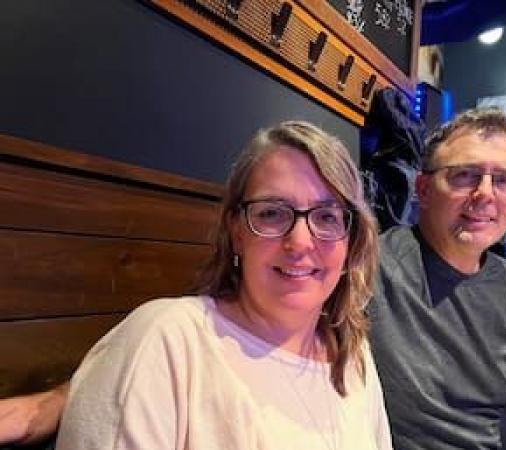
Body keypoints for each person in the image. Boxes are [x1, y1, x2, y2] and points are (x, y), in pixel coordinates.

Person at [0, 111, 506, 450]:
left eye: (502, 180)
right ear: (422, 189)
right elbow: (187, 342)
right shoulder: (361, 268)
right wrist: (56, 401)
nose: (484, 193)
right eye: (463, 175)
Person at [11, 121, 392, 449]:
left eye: (326, 216)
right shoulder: (169, 340)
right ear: (236, 230)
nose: (300, 242)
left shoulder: (352, 355)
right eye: (272, 214)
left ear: (351, 238)